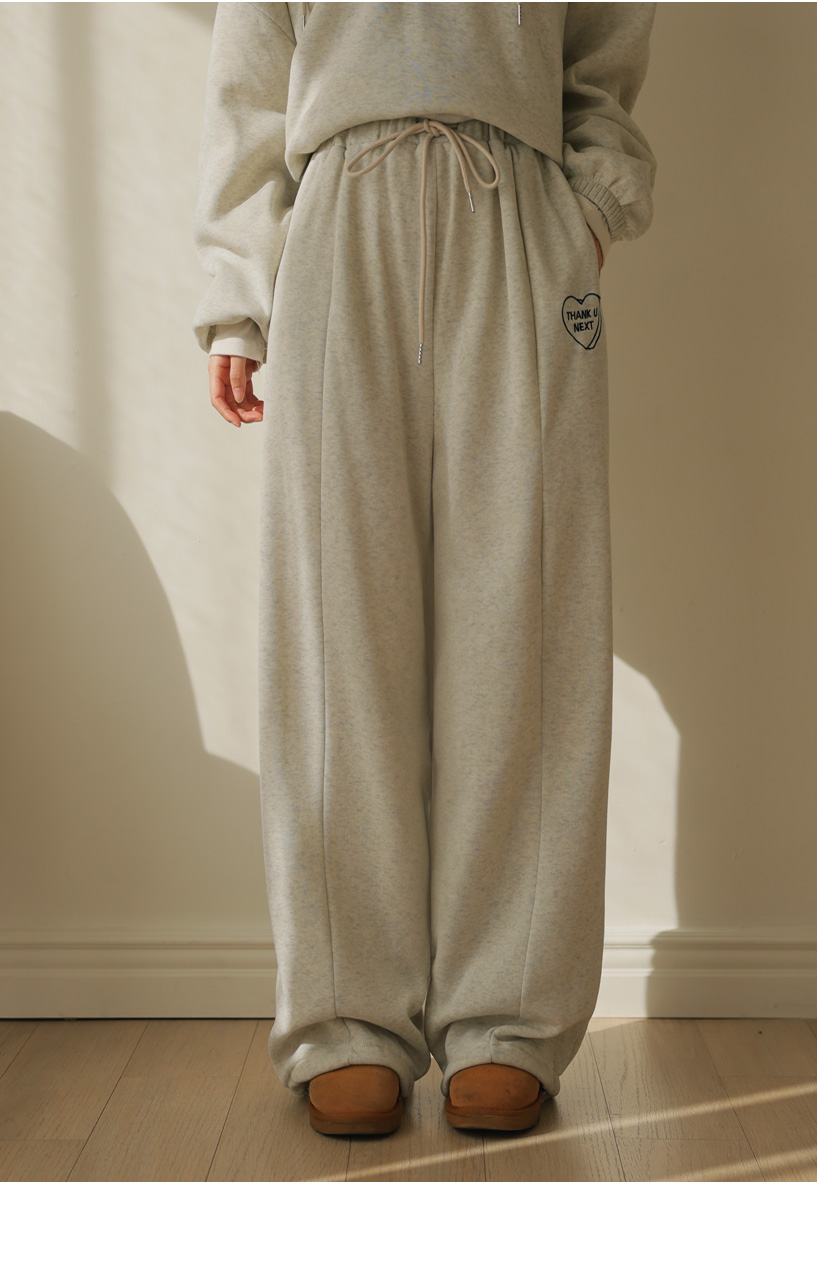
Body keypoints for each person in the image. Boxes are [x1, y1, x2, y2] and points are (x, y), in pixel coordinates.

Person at [192, 0, 657, 1138]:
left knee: (527, 630)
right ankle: (346, 1018)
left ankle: (509, 1018)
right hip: (338, 222)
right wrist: (239, 299)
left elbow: (602, 56)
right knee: (335, 635)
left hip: (520, 218)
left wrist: (586, 211)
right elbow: (249, 88)